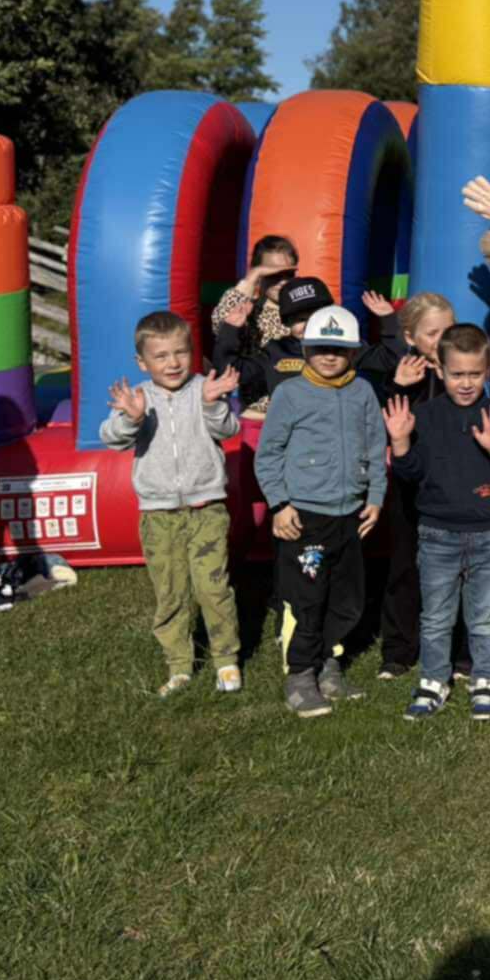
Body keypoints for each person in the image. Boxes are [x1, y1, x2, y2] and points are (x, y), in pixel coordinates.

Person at [99, 312, 244, 696]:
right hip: (158, 514)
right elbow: (111, 438)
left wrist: (212, 404)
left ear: (192, 353)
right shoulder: (139, 397)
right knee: (171, 591)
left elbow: (230, 429)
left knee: (213, 588)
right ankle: (179, 664)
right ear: (142, 362)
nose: (173, 363)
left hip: (206, 509)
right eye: (161, 356)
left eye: (180, 352)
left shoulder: (203, 388)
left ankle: (226, 659)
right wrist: (131, 419)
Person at [389, 323, 490, 722]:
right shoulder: (425, 416)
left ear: (488, 371)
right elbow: (410, 475)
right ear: (440, 370)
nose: (466, 383)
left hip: (488, 535)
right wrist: (400, 443)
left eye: (474, 374)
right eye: (457, 374)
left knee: (484, 617)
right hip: (437, 534)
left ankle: (485, 679)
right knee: (435, 617)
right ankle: (434, 680)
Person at [253, 305, 386, 718]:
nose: (330, 356)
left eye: (339, 349)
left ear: (353, 352)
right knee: (306, 599)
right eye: (321, 348)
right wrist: (279, 505)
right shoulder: (290, 394)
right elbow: (268, 454)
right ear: (306, 349)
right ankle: (300, 675)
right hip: (304, 518)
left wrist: (376, 498)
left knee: (347, 599)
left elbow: (376, 447)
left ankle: (329, 664)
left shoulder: (363, 392)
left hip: (351, 516)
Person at [354, 290, 454, 680]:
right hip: (409, 485)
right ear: (410, 338)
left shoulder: (461, 372)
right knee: (404, 566)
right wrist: (399, 387)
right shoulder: (399, 373)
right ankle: (398, 650)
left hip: (451, 484)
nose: (442, 340)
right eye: (432, 333)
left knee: (457, 568)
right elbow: (384, 428)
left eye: (448, 330)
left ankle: (455, 647)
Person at [209, 235, 299, 418]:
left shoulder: (303, 311)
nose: (282, 281)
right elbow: (221, 322)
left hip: (298, 412)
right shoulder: (250, 310)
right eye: (273, 274)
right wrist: (251, 279)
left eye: (288, 274)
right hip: (257, 414)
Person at [214, 274, 338, 407]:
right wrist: (230, 330)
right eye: (300, 320)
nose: (308, 325)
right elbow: (234, 371)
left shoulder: (344, 347)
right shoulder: (275, 352)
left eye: (315, 318)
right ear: (287, 323)